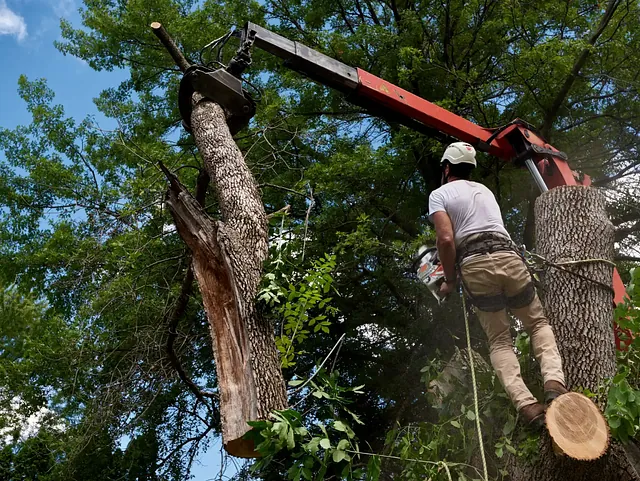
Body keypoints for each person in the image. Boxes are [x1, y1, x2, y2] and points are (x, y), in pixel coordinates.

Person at [428, 141, 568, 427]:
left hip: (475, 265)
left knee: (500, 340)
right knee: (538, 324)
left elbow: (445, 240)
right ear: (471, 168)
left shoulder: (439, 194)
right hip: (508, 256)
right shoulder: (485, 191)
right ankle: (555, 384)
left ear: (446, 167)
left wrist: (450, 280)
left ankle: (528, 407)